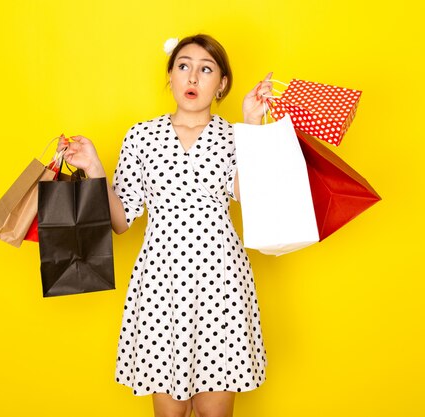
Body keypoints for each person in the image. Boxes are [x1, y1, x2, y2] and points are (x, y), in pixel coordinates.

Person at [59, 34, 273, 417]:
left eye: (206, 69)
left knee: (214, 412)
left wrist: (253, 125)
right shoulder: (141, 136)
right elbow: (122, 220)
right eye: (183, 66)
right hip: (161, 283)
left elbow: (253, 199)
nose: (193, 77)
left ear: (222, 83)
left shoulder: (234, 137)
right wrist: (94, 168)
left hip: (220, 282)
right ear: (170, 75)